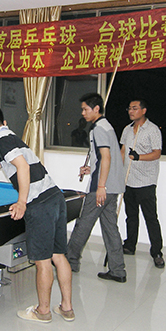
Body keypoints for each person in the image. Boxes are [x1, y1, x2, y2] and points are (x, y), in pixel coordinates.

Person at [0, 105, 74, 323]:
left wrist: (21, 202)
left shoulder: (2, 141)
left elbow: (23, 167)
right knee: (58, 255)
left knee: (43, 261)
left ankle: (43, 312)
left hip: (40, 203)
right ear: (4, 123)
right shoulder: (11, 140)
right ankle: (66, 308)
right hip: (55, 197)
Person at [67, 93, 127, 283]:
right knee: (110, 229)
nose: (83, 113)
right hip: (113, 187)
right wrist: (91, 168)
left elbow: (106, 157)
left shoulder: (99, 129)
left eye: (85, 109)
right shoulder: (107, 126)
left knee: (83, 223)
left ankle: (70, 261)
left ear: (96, 109)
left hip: (102, 188)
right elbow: (104, 159)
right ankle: (118, 270)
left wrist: (100, 186)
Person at [120, 98, 165, 268]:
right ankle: (130, 245)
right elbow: (123, 151)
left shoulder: (152, 129)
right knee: (131, 216)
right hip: (128, 179)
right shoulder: (127, 129)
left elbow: (157, 153)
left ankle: (157, 252)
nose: (131, 111)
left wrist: (139, 157)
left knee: (151, 218)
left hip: (146, 181)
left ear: (143, 110)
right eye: (129, 108)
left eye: (135, 108)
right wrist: (118, 171)